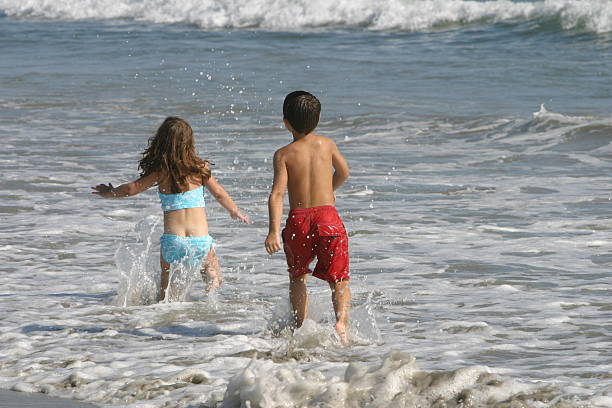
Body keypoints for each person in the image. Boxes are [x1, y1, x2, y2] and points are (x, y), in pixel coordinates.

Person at [92, 117, 249, 300]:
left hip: (172, 242)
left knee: (166, 291)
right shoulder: (199, 168)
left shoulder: (161, 170)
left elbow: (132, 188)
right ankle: (210, 291)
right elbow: (220, 193)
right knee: (214, 276)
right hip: (200, 241)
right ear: (189, 142)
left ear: (162, 142)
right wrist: (234, 210)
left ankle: (162, 310)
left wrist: (109, 193)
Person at [265, 91, 351, 344]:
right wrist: (329, 192)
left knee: (298, 276)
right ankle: (341, 324)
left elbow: (277, 195)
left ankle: (300, 326)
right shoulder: (327, 144)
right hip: (328, 218)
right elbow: (344, 172)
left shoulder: (283, 154)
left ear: (286, 122)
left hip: (298, 221)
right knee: (339, 279)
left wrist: (272, 231)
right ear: (318, 118)